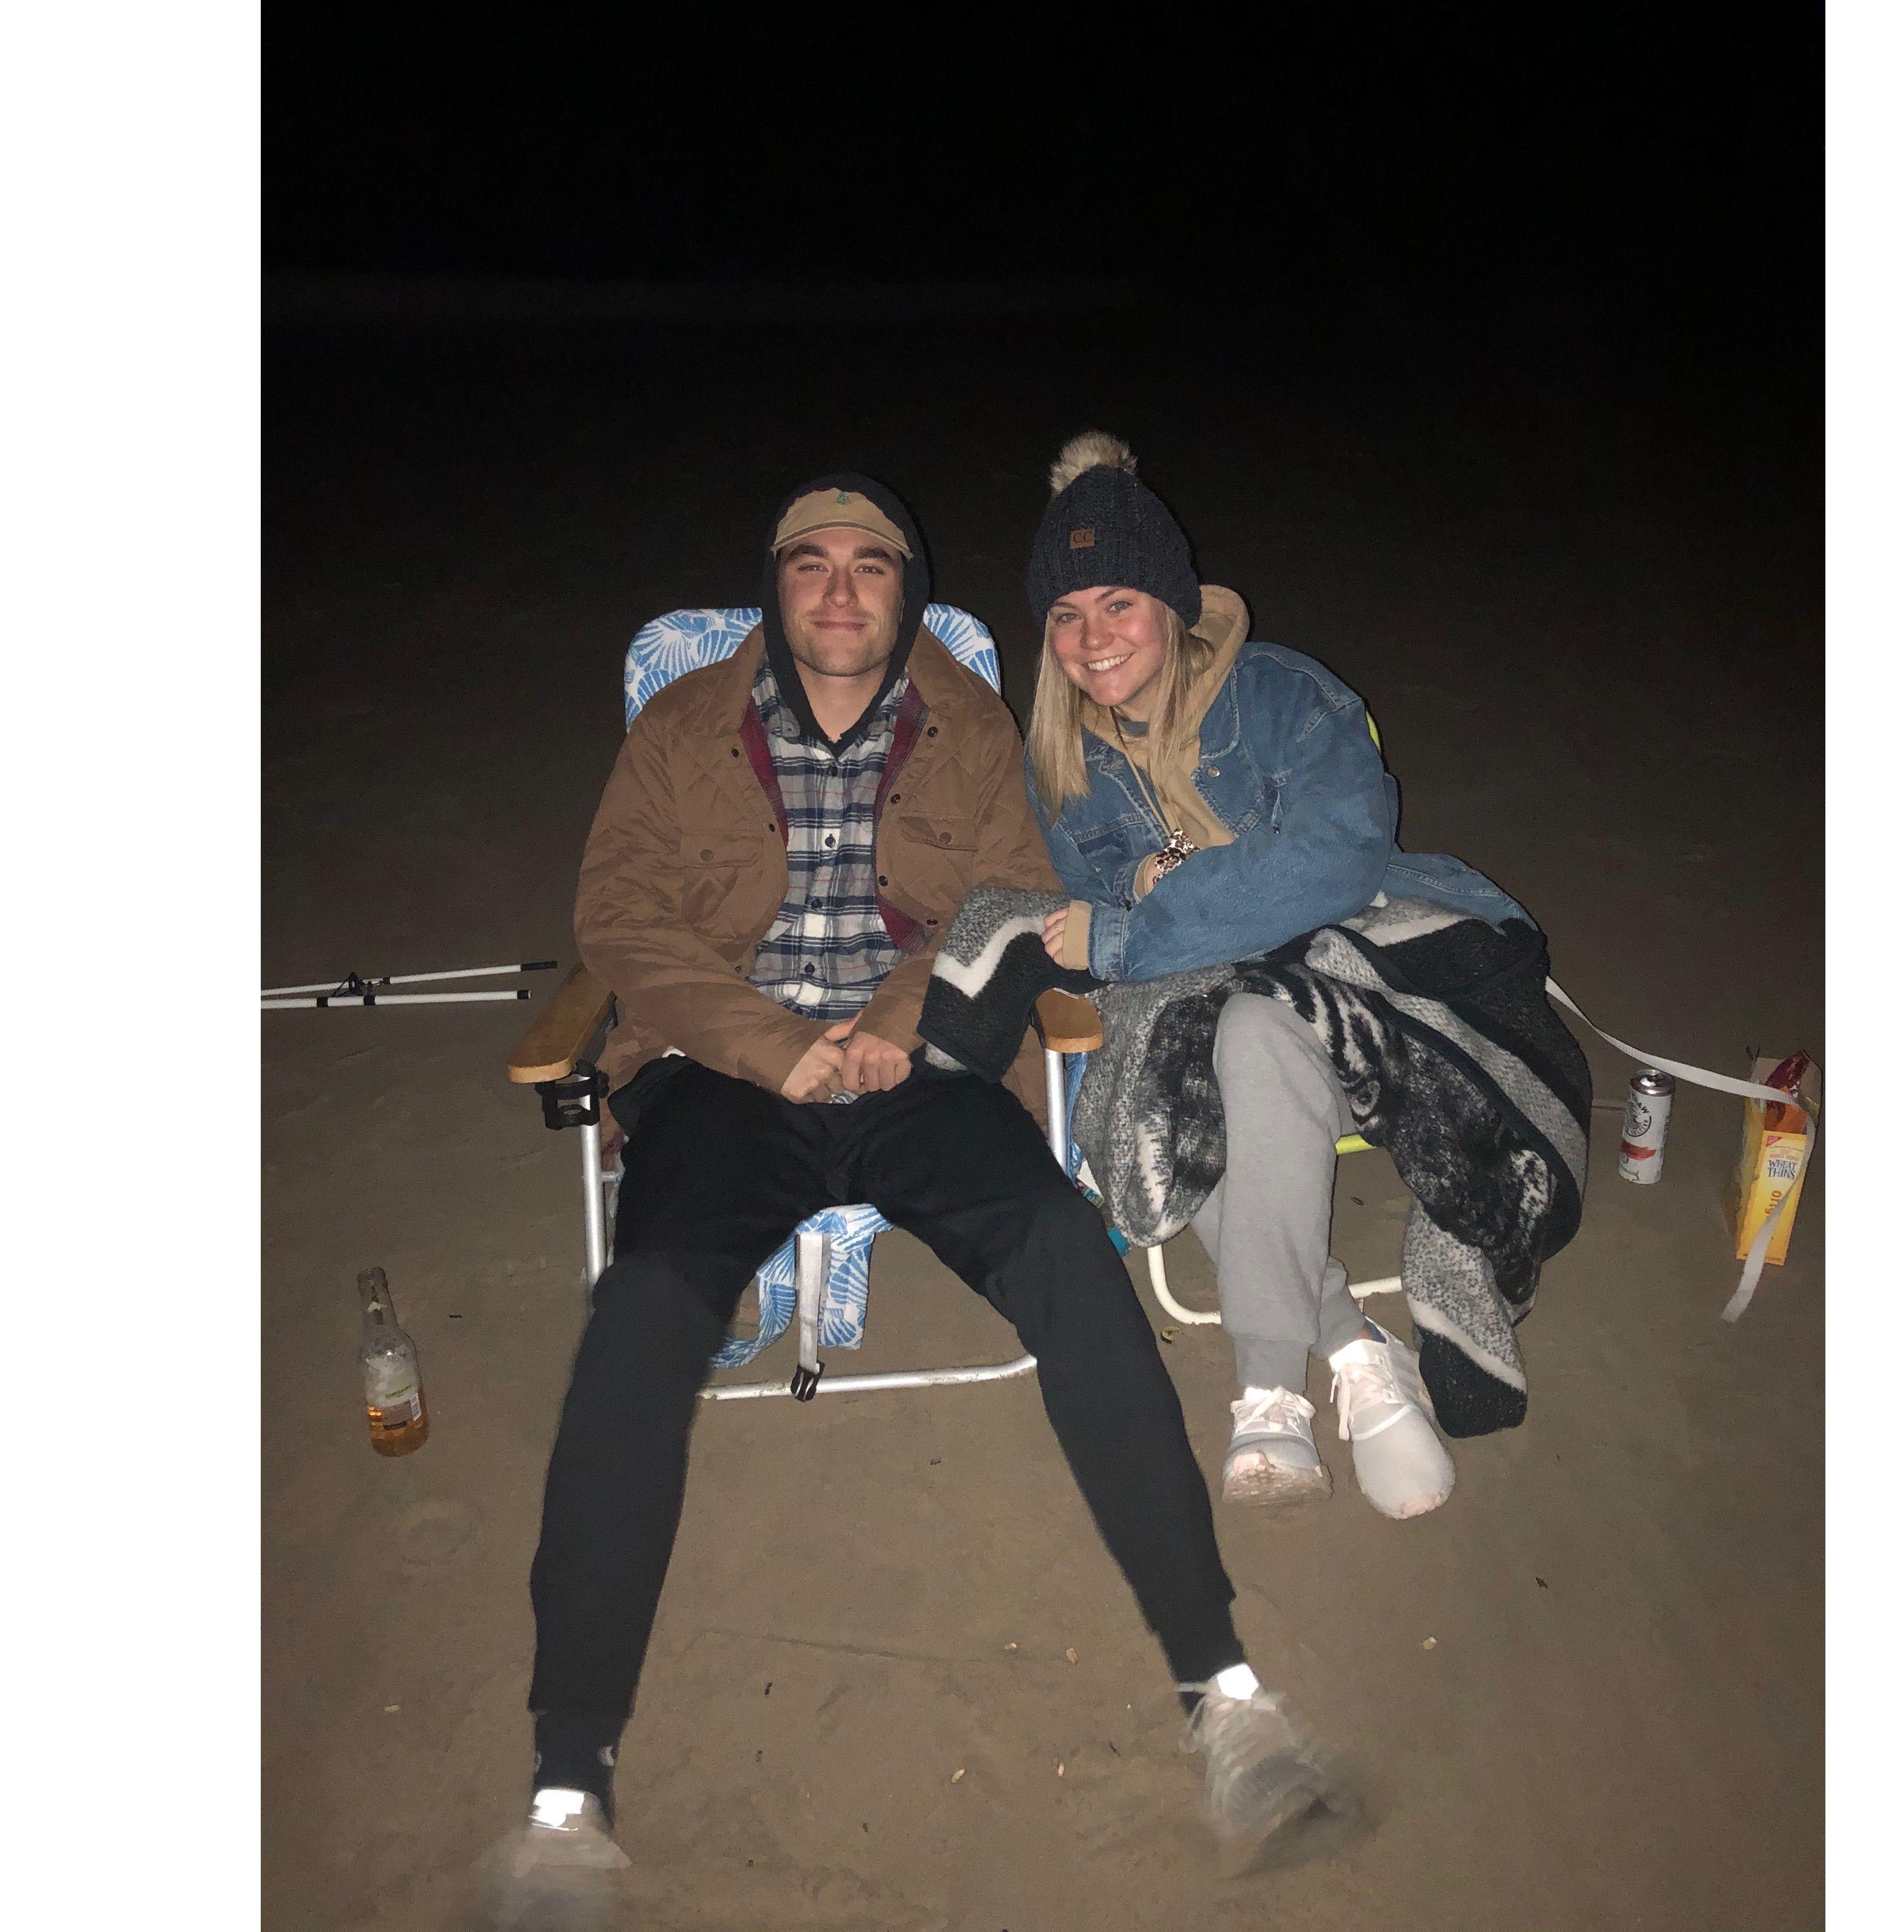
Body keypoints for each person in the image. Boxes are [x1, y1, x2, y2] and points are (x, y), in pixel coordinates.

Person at [489, 474, 1354, 1925]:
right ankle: (567, 1788)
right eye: (812, 565)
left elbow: (1004, 895)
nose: (841, 591)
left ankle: (1228, 1697)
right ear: (776, 585)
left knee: (1066, 1255)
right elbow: (619, 919)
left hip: (922, 1069)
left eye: (872, 566)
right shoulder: (682, 726)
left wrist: (896, 1025)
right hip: (729, 1080)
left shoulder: (974, 726)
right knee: (640, 1310)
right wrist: (773, 1045)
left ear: (910, 591)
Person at [1026, 433, 1524, 1520]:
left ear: (1171, 602)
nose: (1092, 639)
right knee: (1183, 1057)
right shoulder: (1061, 758)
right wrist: (1137, 905)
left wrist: (1147, 919)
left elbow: (1338, 859)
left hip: (1365, 999)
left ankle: (1268, 1387)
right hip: (1208, 1013)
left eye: (1118, 604)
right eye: (1065, 614)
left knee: (1247, 1031)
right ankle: (1352, 1348)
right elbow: (1090, 898)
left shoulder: (1283, 696)